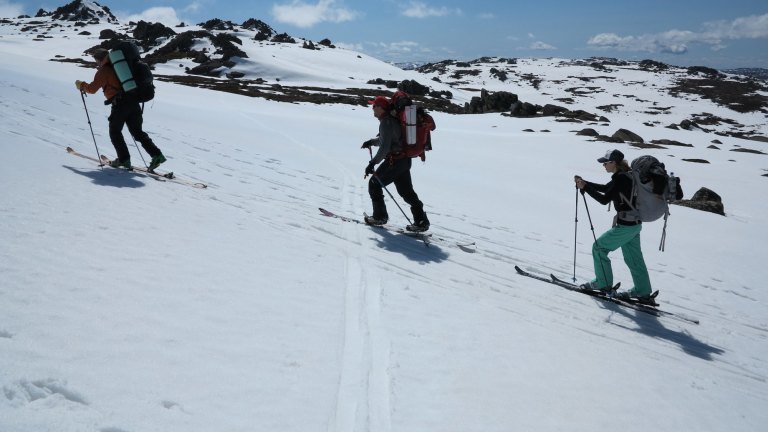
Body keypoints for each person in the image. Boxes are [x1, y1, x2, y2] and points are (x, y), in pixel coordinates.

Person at [574, 149, 653, 302]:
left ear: (613, 163)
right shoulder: (625, 176)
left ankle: (603, 283)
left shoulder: (621, 179)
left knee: (599, 248)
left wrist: (585, 187)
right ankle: (642, 291)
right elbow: (606, 189)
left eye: (605, 163)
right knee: (634, 259)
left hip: (626, 226)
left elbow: (604, 199)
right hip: (634, 225)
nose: (603, 166)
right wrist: (585, 183)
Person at [75, 48, 166, 171]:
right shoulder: (122, 68)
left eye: (97, 61)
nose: (97, 63)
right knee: (138, 132)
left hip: (120, 103)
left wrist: (81, 85)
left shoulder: (104, 71)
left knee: (115, 131)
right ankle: (157, 155)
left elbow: (92, 89)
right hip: (134, 101)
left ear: (100, 59)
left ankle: (123, 159)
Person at [361, 96, 430, 232]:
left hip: (395, 161)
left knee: (374, 184)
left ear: (381, 107)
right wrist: (371, 142)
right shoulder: (390, 121)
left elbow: (385, 147)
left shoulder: (386, 123)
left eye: (374, 106)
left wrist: (372, 163)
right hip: (404, 161)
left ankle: (379, 216)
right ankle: (421, 221)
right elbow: (385, 140)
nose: (372, 108)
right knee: (407, 192)